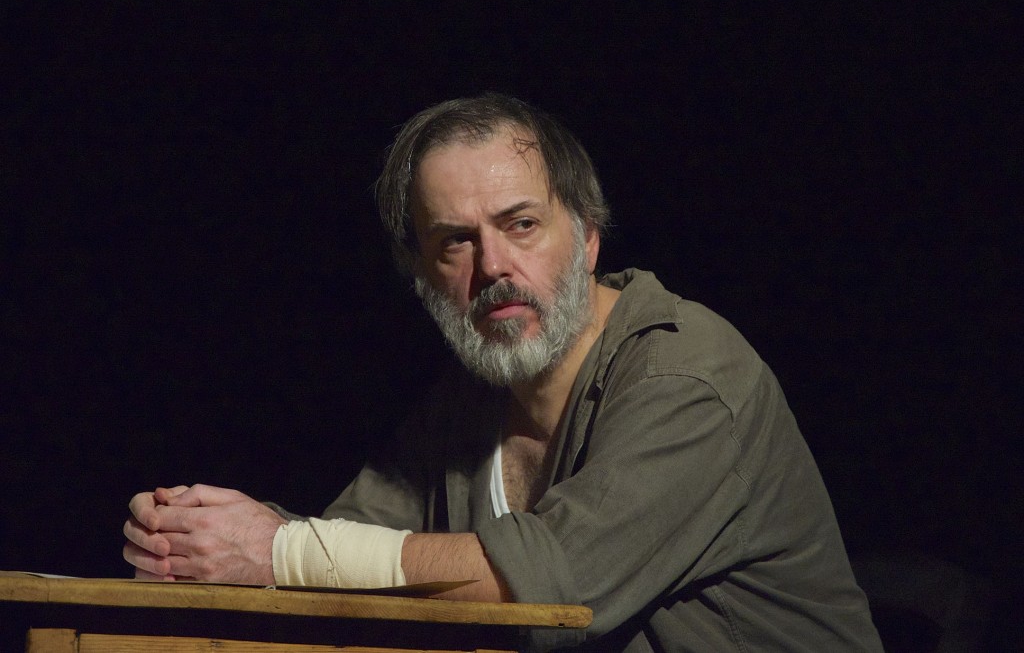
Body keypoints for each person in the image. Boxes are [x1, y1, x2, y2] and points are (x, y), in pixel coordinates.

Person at [123, 93, 883, 651]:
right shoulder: (466, 403)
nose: (493, 266)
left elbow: (555, 586)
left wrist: (277, 551)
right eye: (455, 241)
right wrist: (202, 536)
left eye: (521, 224)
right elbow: (345, 544)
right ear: (421, 274)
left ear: (587, 237)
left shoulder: (688, 375)